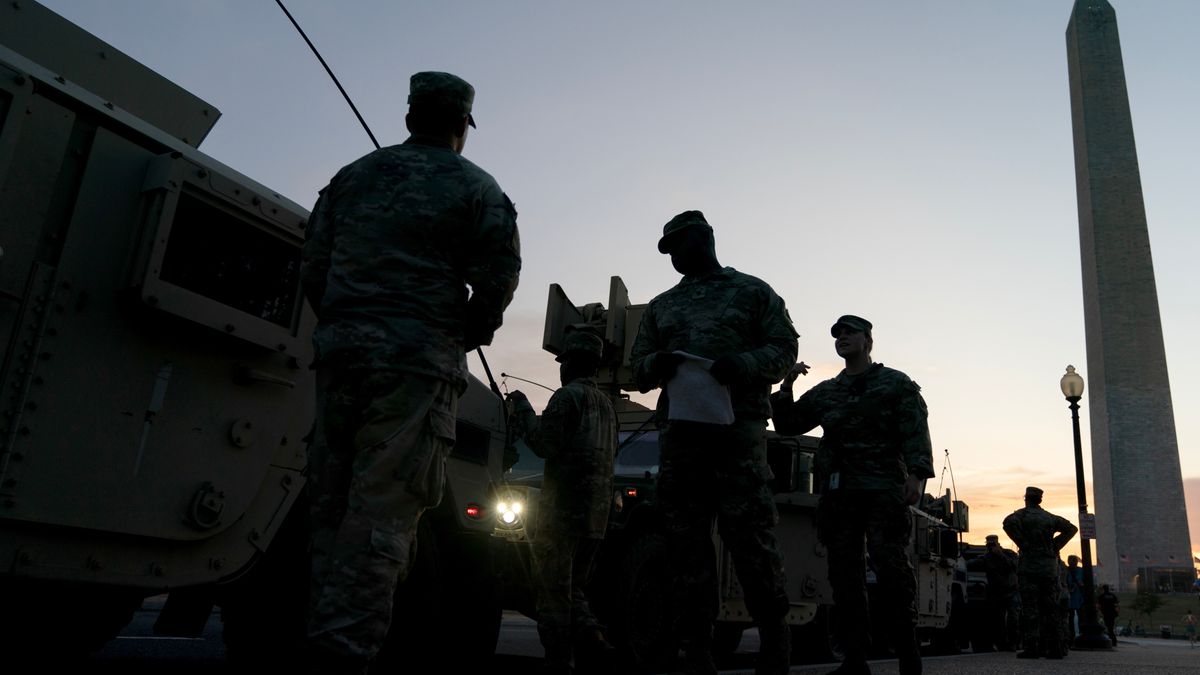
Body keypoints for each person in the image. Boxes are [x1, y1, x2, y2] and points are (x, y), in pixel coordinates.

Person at [300, 71, 522, 673]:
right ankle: (340, 656)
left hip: (341, 357)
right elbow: (498, 277)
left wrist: (350, 326)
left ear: (408, 118)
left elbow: (314, 265)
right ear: (460, 127)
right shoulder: (476, 186)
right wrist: (469, 328)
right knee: (383, 511)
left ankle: (323, 630)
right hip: (415, 366)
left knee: (331, 505)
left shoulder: (352, 178)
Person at [629, 210, 798, 675]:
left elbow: (784, 349)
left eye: (679, 246)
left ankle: (774, 643)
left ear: (704, 238)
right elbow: (637, 365)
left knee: (752, 539)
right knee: (685, 544)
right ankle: (697, 650)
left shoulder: (751, 291)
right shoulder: (663, 304)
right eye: (667, 252)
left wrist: (742, 364)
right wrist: (656, 364)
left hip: (737, 434)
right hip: (681, 435)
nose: (674, 257)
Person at [772, 314, 935, 675]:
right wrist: (785, 390)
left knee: (891, 570)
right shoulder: (829, 390)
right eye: (837, 335)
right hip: (840, 496)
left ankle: (908, 654)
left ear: (867, 340)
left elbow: (914, 429)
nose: (842, 338)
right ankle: (855, 659)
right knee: (844, 576)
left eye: (850, 333)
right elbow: (789, 425)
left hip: (882, 490)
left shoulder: (894, 384)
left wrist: (918, 475)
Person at [508, 330, 619, 675]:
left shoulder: (567, 397)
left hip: (562, 513)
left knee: (552, 592)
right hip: (596, 517)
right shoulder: (607, 407)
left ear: (570, 362)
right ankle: (594, 640)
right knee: (572, 588)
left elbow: (544, 445)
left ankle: (559, 661)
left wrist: (523, 408)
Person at [1002, 486, 1077, 660]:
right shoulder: (1050, 518)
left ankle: (1032, 648)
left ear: (1026, 498)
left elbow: (1007, 523)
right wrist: (1055, 545)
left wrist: (1022, 542)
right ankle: (1056, 648)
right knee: (1051, 609)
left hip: (1029, 568)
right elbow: (1071, 529)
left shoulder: (1021, 515)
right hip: (1048, 569)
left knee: (1030, 609)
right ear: (1040, 500)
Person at [982, 534, 1020, 651]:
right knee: (997, 620)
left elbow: (1015, 565)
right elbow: (975, 563)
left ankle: (1013, 642)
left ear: (998, 544)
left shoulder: (1008, 553)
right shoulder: (987, 557)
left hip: (1011, 591)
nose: (991, 546)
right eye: (989, 544)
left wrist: (1001, 555)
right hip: (996, 593)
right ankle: (1001, 643)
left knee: (1013, 619)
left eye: (993, 544)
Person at [1065, 555, 1084, 638]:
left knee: (1081, 617)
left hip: (1079, 596)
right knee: (1070, 618)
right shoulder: (1065, 570)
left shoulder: (1081, 570)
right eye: (1071, 560)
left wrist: (1080, 584)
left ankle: (1081, 633)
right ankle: (1071, 635)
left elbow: (1084, 583)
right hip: (1069, 597)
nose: (1072, 562)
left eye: (1074, 560)